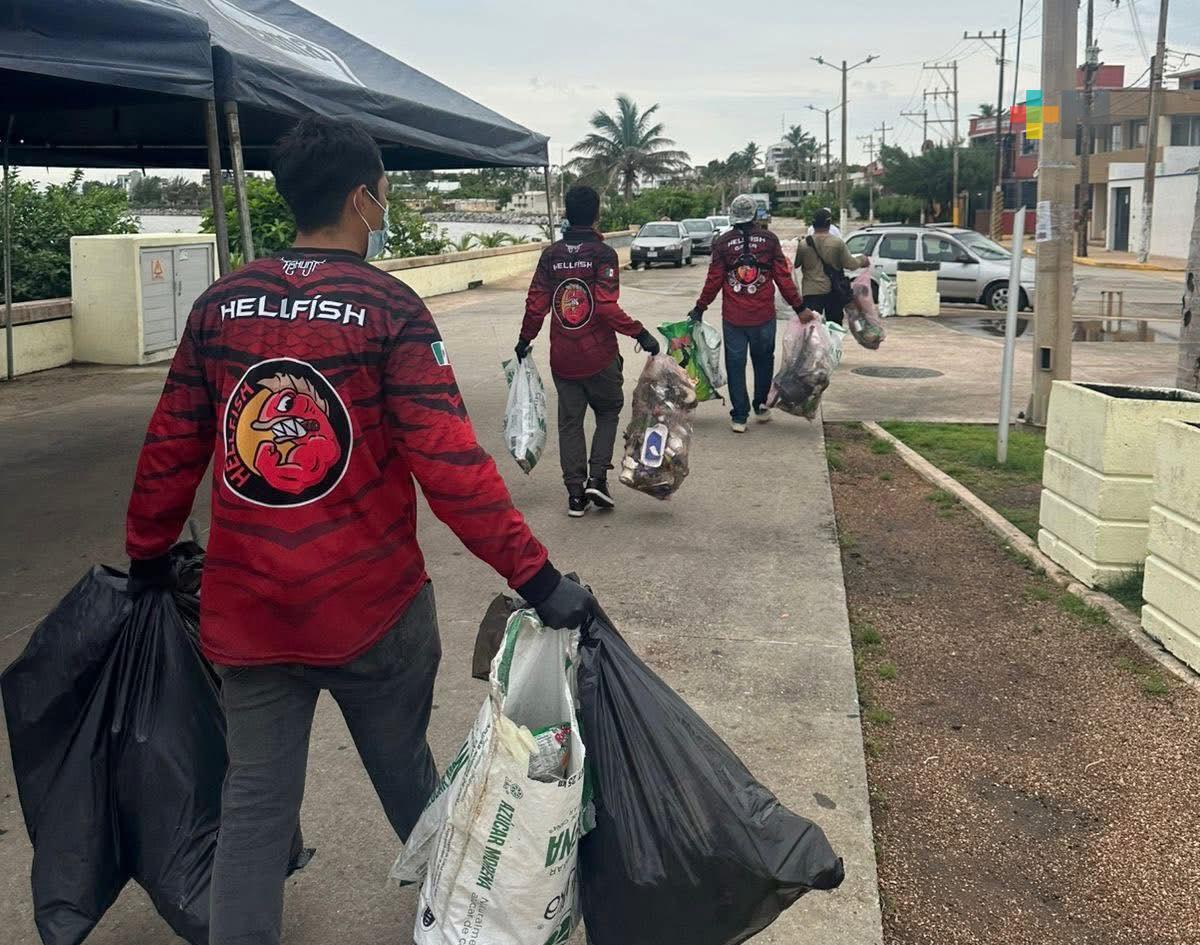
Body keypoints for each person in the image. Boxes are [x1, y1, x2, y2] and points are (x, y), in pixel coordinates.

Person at [125, 115, 596, 945]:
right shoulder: (390, 310)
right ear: (363, 200)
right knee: (408, 777)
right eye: (382, 192)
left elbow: (170, 449)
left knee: (254, 807)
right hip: (372, 611)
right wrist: (540, 580)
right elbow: (452, 467)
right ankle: (474, 920)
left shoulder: (218, 307)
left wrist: (146, 556)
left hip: (251, 615)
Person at [517, 184, 660, 517]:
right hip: (599, 355)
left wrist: (525, 339)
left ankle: (575, 495)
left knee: (570, 423)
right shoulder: (603, 255)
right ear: (597, 214)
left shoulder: (550, 255)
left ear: (567, 213)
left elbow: (536, 303)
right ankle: (598, 478)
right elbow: (607, 308)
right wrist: (641, 334)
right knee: (609, 410)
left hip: (563, 357)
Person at [687, 193, 808, 433]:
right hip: (763, 315)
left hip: (733, 318)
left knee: (735, 364)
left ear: (733, 215)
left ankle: (739, 416)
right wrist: (800, 308)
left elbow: (714, 280)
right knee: (763, 361)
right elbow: (783, 278)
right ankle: (761, 406)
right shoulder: (770, 240)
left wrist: (700, 308)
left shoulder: (722, 243)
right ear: (755, 215)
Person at [795, 207, 870, 325]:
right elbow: (851, 264)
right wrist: (863, 259)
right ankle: (833, 344)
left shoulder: (804, 245)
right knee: (834, 327)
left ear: (813, 224)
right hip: (833, 291)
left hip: (811, 292)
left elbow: (796, 264)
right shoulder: (837, 243)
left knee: (812, 329)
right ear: (829, 224)